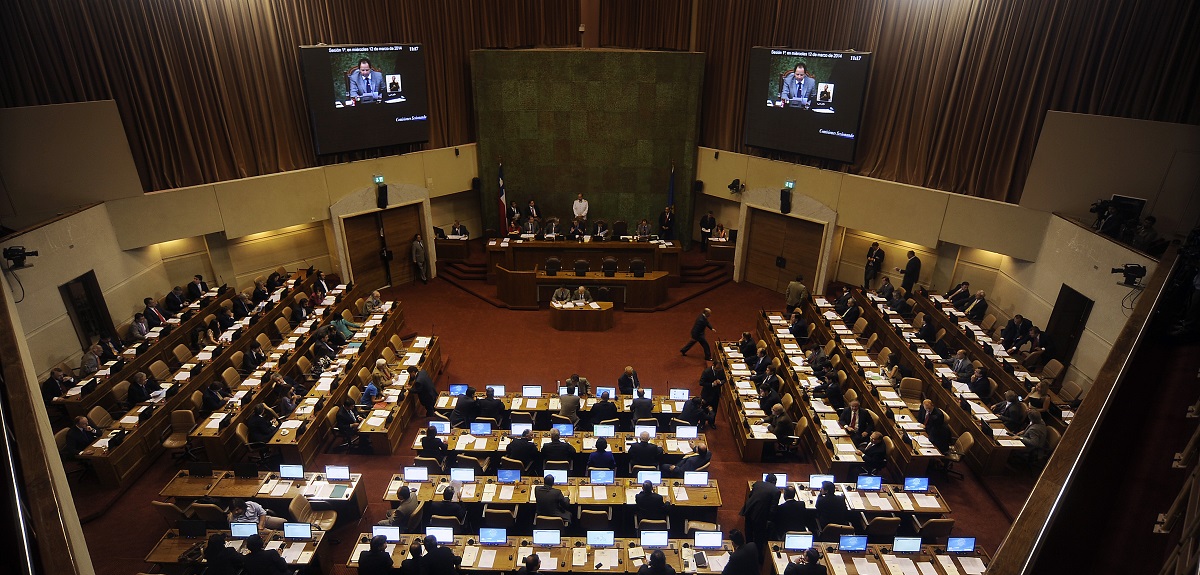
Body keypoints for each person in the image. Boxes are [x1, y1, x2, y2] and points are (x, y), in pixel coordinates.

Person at [740, 474, 778, 554]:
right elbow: (772, 510)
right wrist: (769, 520)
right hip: (760, 515)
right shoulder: (776, 491)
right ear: (775, 482)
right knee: (759, 536)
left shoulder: (757, 484)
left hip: (749, 509)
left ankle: (747, 549)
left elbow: (750, 496)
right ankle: (757, 554)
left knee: (748, 531)